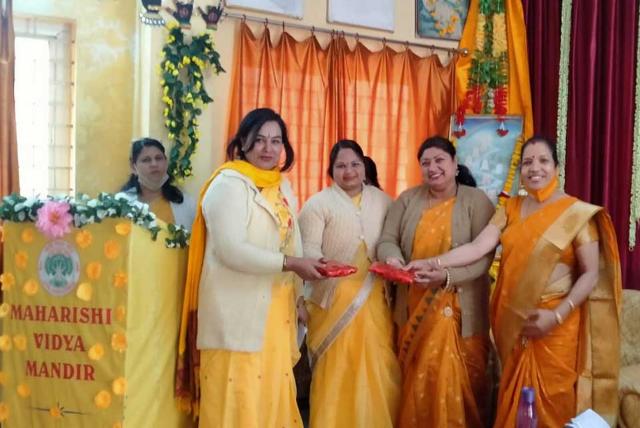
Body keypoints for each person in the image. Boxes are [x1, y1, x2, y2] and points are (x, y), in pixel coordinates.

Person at [407, 136, 622, 426]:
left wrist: (557, 315)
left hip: (557, 328)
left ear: (557, 167)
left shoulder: (576, 214)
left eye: (543, 160)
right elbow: (478, 248)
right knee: (516, 403)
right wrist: (432, 262)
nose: (535, 168)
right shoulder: (510, 208)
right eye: (528, 162)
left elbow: (591, 273)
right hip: (514, 322)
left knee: (554, 403)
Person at [177, 108, 327, 427]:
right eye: (258, 140)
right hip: (235, 314)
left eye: (276, 141)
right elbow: (232, 250)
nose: (267, 148)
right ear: (242, 142)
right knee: (238, 402)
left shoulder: (282, 186)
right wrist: (292, 264)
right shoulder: (227, 185)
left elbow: (292, 240)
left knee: (270, 397)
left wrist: (299, 295)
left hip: (276, 310)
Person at [377, 136, 495, 428]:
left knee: (462, 383)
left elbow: (483, 260)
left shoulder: (476, 201)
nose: (432, 168)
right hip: (414, 303)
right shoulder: (407, 199)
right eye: (425, 163)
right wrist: (393, 261)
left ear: (455, 165)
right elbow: (387, 240)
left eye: (439, 160)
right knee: (418, 381)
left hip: (461, 310)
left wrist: (445, 277)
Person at [298, 140, 401, 427]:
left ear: (364, 167)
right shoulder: (317, 204)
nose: (349, 171)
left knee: (377, 367)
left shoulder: (383, 200)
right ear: (331, 170)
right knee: (336, 371)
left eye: (355, 164)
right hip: (330, 301)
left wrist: (395, 262)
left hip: (375, 299)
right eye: (341, 166)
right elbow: (306, 251)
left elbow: (393, 242)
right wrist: (325, 265)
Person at [120, 137, 196, 229]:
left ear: (166, 162)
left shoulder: (186, 204)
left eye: (159, 158)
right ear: (133, 167)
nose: (154, 164)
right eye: (146, 160)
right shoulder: (121, 204)